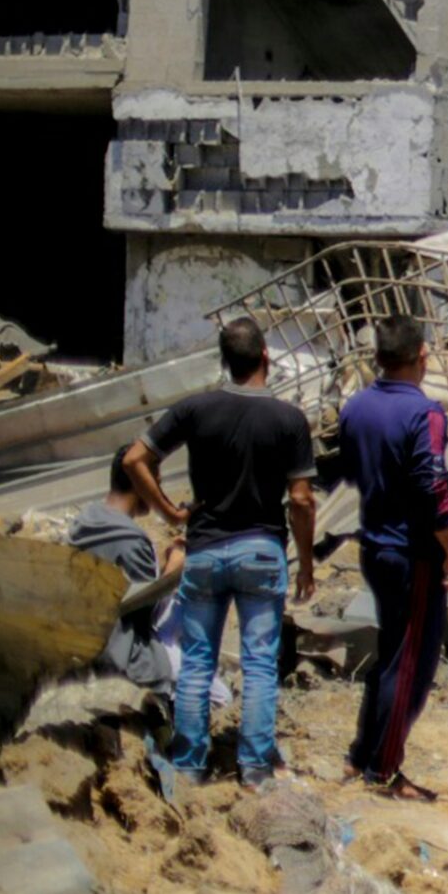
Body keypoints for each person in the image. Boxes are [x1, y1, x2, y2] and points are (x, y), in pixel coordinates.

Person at [124, 316, 317, 787]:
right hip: (261, 552)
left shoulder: (196, 409)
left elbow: (135, 459)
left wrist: (170, 513)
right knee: (258, 663)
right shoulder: (289, 418)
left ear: (224, 361)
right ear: (266, 357)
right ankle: (254, 768)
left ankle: (189, 766)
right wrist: (307, 563)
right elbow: (301, 499)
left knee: (197, 664)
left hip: (205, 552)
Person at [336, 315, 448, 799]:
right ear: (422, 357)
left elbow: (350, 470)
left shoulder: (356, 408)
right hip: (413, 553)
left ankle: (360, 755)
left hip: (374, 545)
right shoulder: (426, 414)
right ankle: (385, 771)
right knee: (410, 664)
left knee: (390, 654)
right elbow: (433, 485)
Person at [70, 446, 184, 692]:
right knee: (219, 695)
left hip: (88, 652)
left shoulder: (84, 524)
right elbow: (147, 611)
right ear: (141, 482)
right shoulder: (130, 539)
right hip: (125, 655)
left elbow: (123, 589)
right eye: (156, 484)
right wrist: (175, 569)